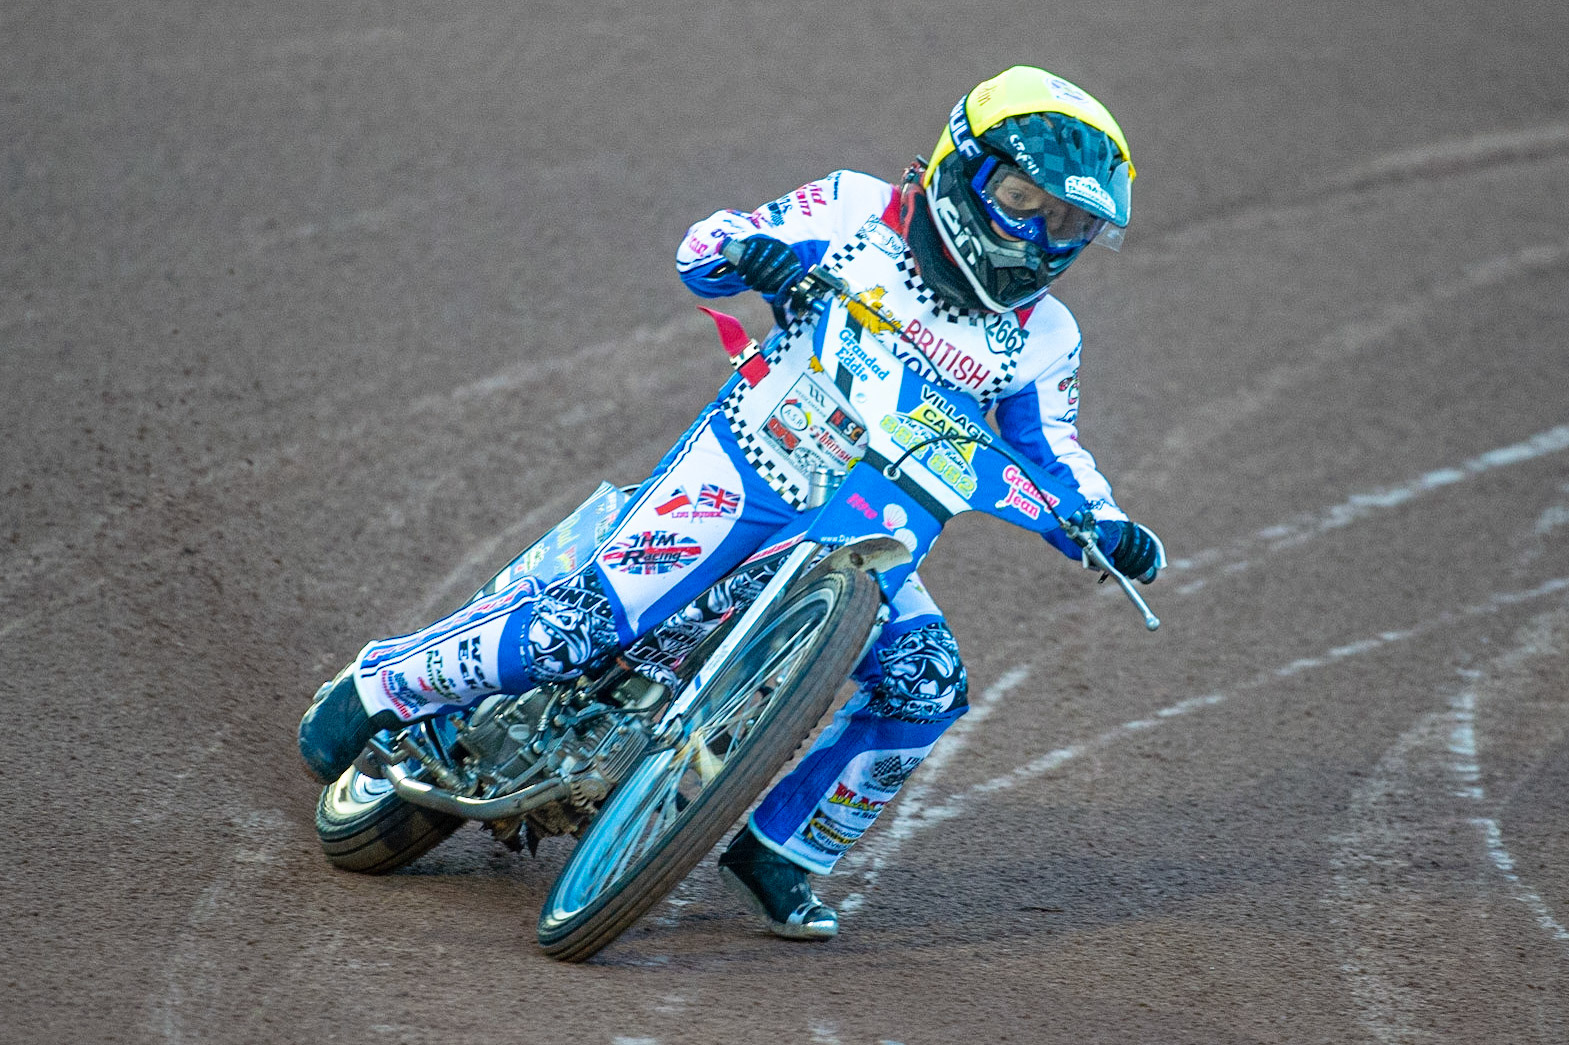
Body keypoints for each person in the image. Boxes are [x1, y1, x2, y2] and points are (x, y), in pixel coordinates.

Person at [299, 65, 1165, 941]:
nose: (1043, 237)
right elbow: (705, 246)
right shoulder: (852, 209)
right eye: (1025, 199)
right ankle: (386, 680)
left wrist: (1109, 525)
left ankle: (777, 850)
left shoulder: (1045, 335)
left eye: (1070, 223)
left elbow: (1055, 451)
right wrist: (747, 258)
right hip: (748, 471)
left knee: (927, 684)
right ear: (962, 167)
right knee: (581, 626)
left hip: (872, 530)